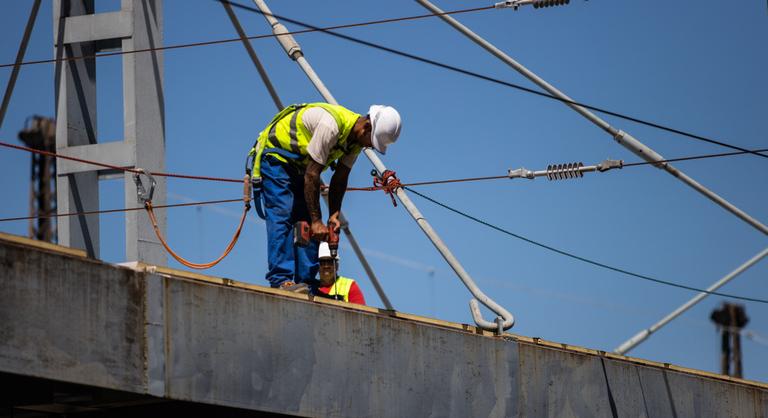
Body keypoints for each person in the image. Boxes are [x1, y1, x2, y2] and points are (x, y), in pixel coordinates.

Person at [247, 103, 402, 291]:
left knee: (305, 223)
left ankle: (307, 283)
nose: (370, 146)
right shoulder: (331, 126)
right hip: (277, 158)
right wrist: (317, 220)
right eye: (372, 141)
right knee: (284, 214)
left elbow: (340, 178)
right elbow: (312, 175)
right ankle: (281, 279)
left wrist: (333, 215)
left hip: (300, 166)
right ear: (366, 127)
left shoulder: (354, 141)